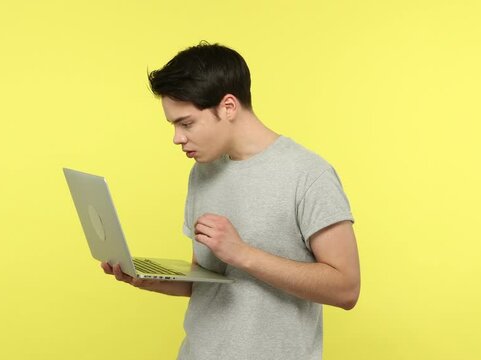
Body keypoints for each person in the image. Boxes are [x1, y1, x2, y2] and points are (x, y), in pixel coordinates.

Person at [100, 42, 360, 360]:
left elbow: (346, 288)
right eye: (174, 125)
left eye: (186, 123)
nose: (177, 138)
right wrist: (147, 279)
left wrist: (242, 254)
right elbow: (208, 279)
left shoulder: (308, 174)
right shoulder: (203, 172)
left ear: (228, 107)